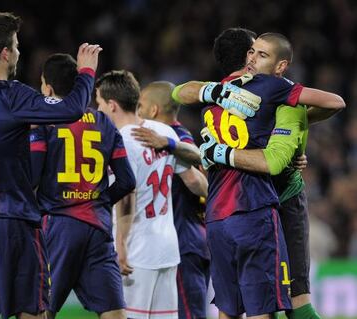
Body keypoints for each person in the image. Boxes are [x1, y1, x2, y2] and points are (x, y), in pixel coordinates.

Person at [173, 31, 345, 319]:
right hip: (264, 206)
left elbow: (178, 92)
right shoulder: (275, 90)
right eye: (253, 51)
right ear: (246, 56)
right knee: (287, 302)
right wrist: (292, 146)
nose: (254, 57)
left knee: (231, 306)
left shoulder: (215, 95)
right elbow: (275, 161)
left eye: (261, 53)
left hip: (222, 212)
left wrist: (214, 150)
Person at [0, 12, 101, 319]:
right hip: (12, 221)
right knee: (31, 310)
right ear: (5, 53)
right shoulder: (10, 96)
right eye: (16, 45)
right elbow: (72, 108)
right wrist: (86, 72)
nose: (19, 52)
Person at [95, 70, 208, 319]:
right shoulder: (162, 132)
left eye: (99, 103)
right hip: (167, 248)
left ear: (112, 105)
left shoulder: (118, 140)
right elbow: (194, 180)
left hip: (137, 251)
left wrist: (121, 245)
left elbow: (127, 195)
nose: (98, 110)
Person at [30, 54, 135, 319]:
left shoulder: (44, 122)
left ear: (48, 89)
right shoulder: (105, 123)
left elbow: (31, 178)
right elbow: (127, 181)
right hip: (98, 228)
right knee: (114, 313)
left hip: (58, 225)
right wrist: (98, 201)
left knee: (41, 310)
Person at [133, 81, 210, 319]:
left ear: (154, 110)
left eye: (140, 106)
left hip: (182, 240)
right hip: (191, 239)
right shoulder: (177, 137)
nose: (137, 112)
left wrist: (169, 145)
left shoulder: (175, 138)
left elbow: (200, 182)